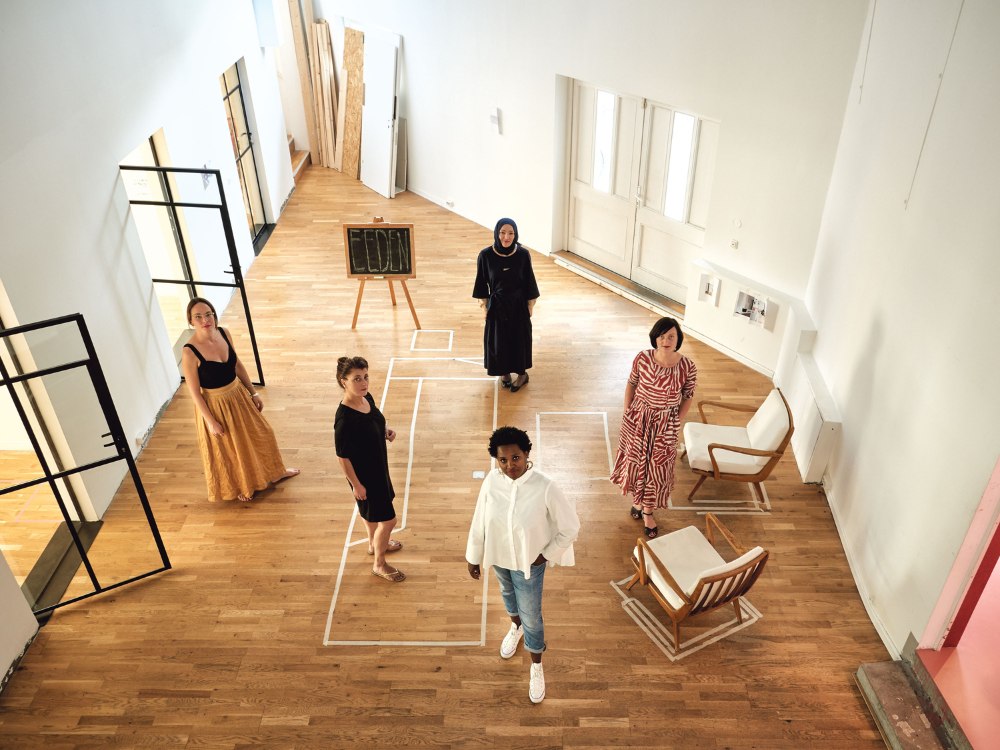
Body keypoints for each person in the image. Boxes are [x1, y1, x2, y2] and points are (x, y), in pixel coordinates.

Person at [466, 426, 579, 704]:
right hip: (499, 558)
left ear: (527, 453)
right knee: (508, 597)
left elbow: (570, 526)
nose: (509, 466)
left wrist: (546, 555)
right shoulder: (491, 482)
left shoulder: (545, 486)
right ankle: (515, 628)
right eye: (502, 460)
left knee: (532, 616)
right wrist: (473, 556)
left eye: (515, 458)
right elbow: (480, 518)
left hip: (529, 564)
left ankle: (536, 665)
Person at [181, 297, 299, 503]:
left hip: (238, 395)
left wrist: (253, 393)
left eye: (208, 314)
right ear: (191, 321)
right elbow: (195, 393)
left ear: (214, 315)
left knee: (263, 434)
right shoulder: (189, 352)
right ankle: (245, 485)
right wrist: (211, 422)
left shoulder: (224, 333)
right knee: (234, 449)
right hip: (216, 405)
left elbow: (237, 365)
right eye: (198, 317)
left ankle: (276, 472)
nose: (205, 320)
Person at [610, 317, 697, 539]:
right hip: (639, 418)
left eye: (671, 336)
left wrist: (676, 420)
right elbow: (631, 383)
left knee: (657, 468)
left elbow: (688, 396)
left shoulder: (687, 366)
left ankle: (648, 511)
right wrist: (628, 411)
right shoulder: (643, 358)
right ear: (655, 338)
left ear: (678, 339)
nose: (666, 340)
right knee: (637, 462)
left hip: (665, 423)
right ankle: (637, 502)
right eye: (661, 336)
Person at [333, 356, 404, 582]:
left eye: (365, 377)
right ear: (344, 381)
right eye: (357, 379)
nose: (364, 383)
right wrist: (357, 485)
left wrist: (385, 431)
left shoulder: (366, 397)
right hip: (365, 477)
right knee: (389, 521)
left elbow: (375, 419)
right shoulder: (344, 421)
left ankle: (374, 544)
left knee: (371, 514)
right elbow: (342, 458)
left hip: (378, 468)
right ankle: (379, 564)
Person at [472, 218, 540, 392]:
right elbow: (481, 284)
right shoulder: (485, 255)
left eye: (511, 233)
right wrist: (485, 308)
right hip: (497, 306)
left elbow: (530, 282)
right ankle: (504, 373)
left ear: (515, 234)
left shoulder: (523, 254)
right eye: (502, 233)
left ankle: (522, 375)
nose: (506, 237)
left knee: (519, 340)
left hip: (518, 305)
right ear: (497, 233)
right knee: (499, 342)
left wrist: (530, 306)